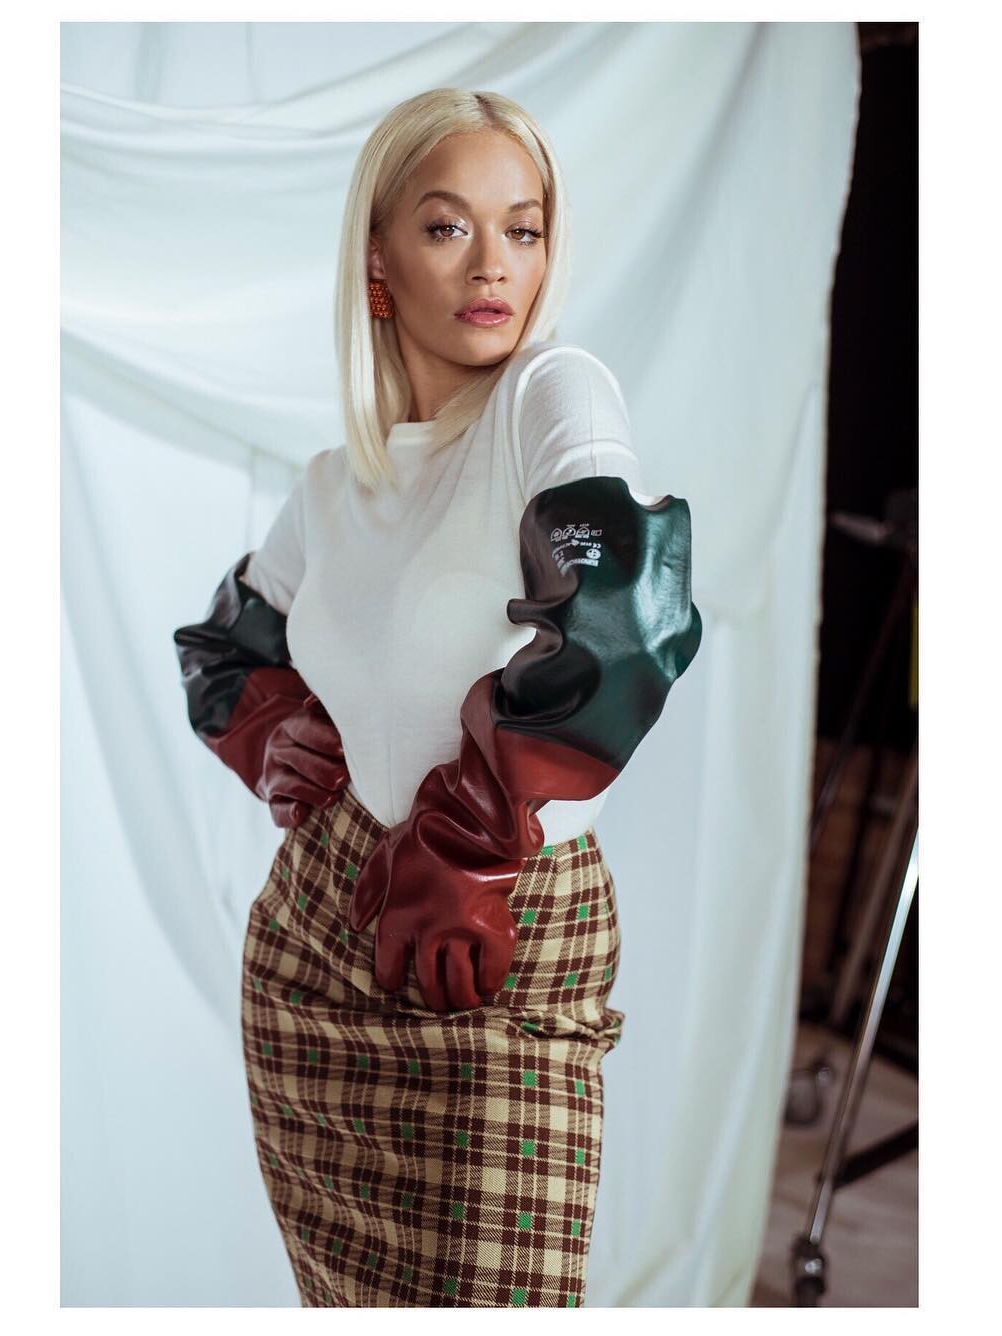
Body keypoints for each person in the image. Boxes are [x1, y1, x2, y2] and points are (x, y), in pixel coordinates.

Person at [173, 87, 701, 1309]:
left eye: (524, 228)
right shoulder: (334, 486)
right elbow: (221, 649)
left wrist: (471, 835)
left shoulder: (552, 395)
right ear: (378, 260)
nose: (493, 265)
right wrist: (277, 733)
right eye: (448, 225)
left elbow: (626, 608)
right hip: (318, 953)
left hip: (505, 932)